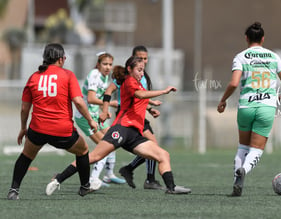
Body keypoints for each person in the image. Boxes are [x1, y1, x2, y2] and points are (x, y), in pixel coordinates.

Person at [46, 56, 191, 194]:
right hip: (122, 129)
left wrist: (150, 108)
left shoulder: (137, 83)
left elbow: (139, 100)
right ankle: (58, 179)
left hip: (134, 134)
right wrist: (164, 91)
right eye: (139, 70)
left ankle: (171, 187)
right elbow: (139, 95)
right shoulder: (129, 81)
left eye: (143, 70)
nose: (142, 73)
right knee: (94, 157)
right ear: (129, 69)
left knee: (163, 155)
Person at [7, 43, 98, 200]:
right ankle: (84, 187)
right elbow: (78, 101)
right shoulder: (68, 75)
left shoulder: (34, 77)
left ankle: (14, 190)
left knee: (26, 155)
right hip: (62, 130)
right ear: (61, 59)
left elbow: (24, 108)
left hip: (37, 129)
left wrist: (23, 128)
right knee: (83, 150)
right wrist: (90, 120)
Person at [217, 21, 281, 197]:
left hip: (246, 106)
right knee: (257, 148)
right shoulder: (273, 57)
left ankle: (237, 178)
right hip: (266, 107)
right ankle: (245, 170)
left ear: (246, 38)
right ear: (263, 39)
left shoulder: (241, 57)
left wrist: (223, 100)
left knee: (243, 145)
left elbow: (234, 83)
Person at [100, 45, 164, 190]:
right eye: (140, 58)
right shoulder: (126, 76)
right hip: (126, 116)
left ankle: (134, 172)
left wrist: (150, 108)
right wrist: (105, 110)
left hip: (138, 116)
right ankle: (147, 178)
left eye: (145, 58)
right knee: (152, 147)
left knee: (153, 148)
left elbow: (140, 97)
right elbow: (109, 90)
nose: (143, 61)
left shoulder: (143, 76)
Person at [73, 52, 125, 188]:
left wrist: (104, 111)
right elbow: (90, 99)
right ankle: (93, 179)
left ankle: (108, 175)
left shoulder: (105, 77)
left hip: (96, 115)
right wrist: (110, 104)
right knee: (104, 147)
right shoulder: (95, 75)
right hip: (86, 117)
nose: (108, 67)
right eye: (105, 64)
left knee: (113, 139)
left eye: (110, 64)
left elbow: (99, 99)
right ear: (98, 64)